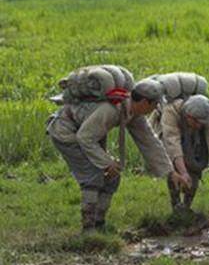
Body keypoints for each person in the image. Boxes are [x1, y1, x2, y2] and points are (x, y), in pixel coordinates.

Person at [47, 75, 185, 231]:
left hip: (88, 135)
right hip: (66, 133)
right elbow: (84, 138)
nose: (155, 109)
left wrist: (170, 172)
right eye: (155, 105)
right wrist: (106, 163)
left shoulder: (134, 113)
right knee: (93, 176)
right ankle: (88, 229)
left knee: (113, 176)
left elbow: (149, 142)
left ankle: (100, 223)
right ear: (145, 102)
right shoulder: (111, 109)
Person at [154, 92, 209, 213]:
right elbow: (172, 144)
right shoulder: (171, 111)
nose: (200, 126)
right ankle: (175, 203)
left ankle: (186, 207)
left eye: (202, 124)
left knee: (194, 169)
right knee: (174, 169)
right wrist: (183, 173)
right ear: (189, 116)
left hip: (194, 141)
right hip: (168, 137)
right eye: (197, 122)